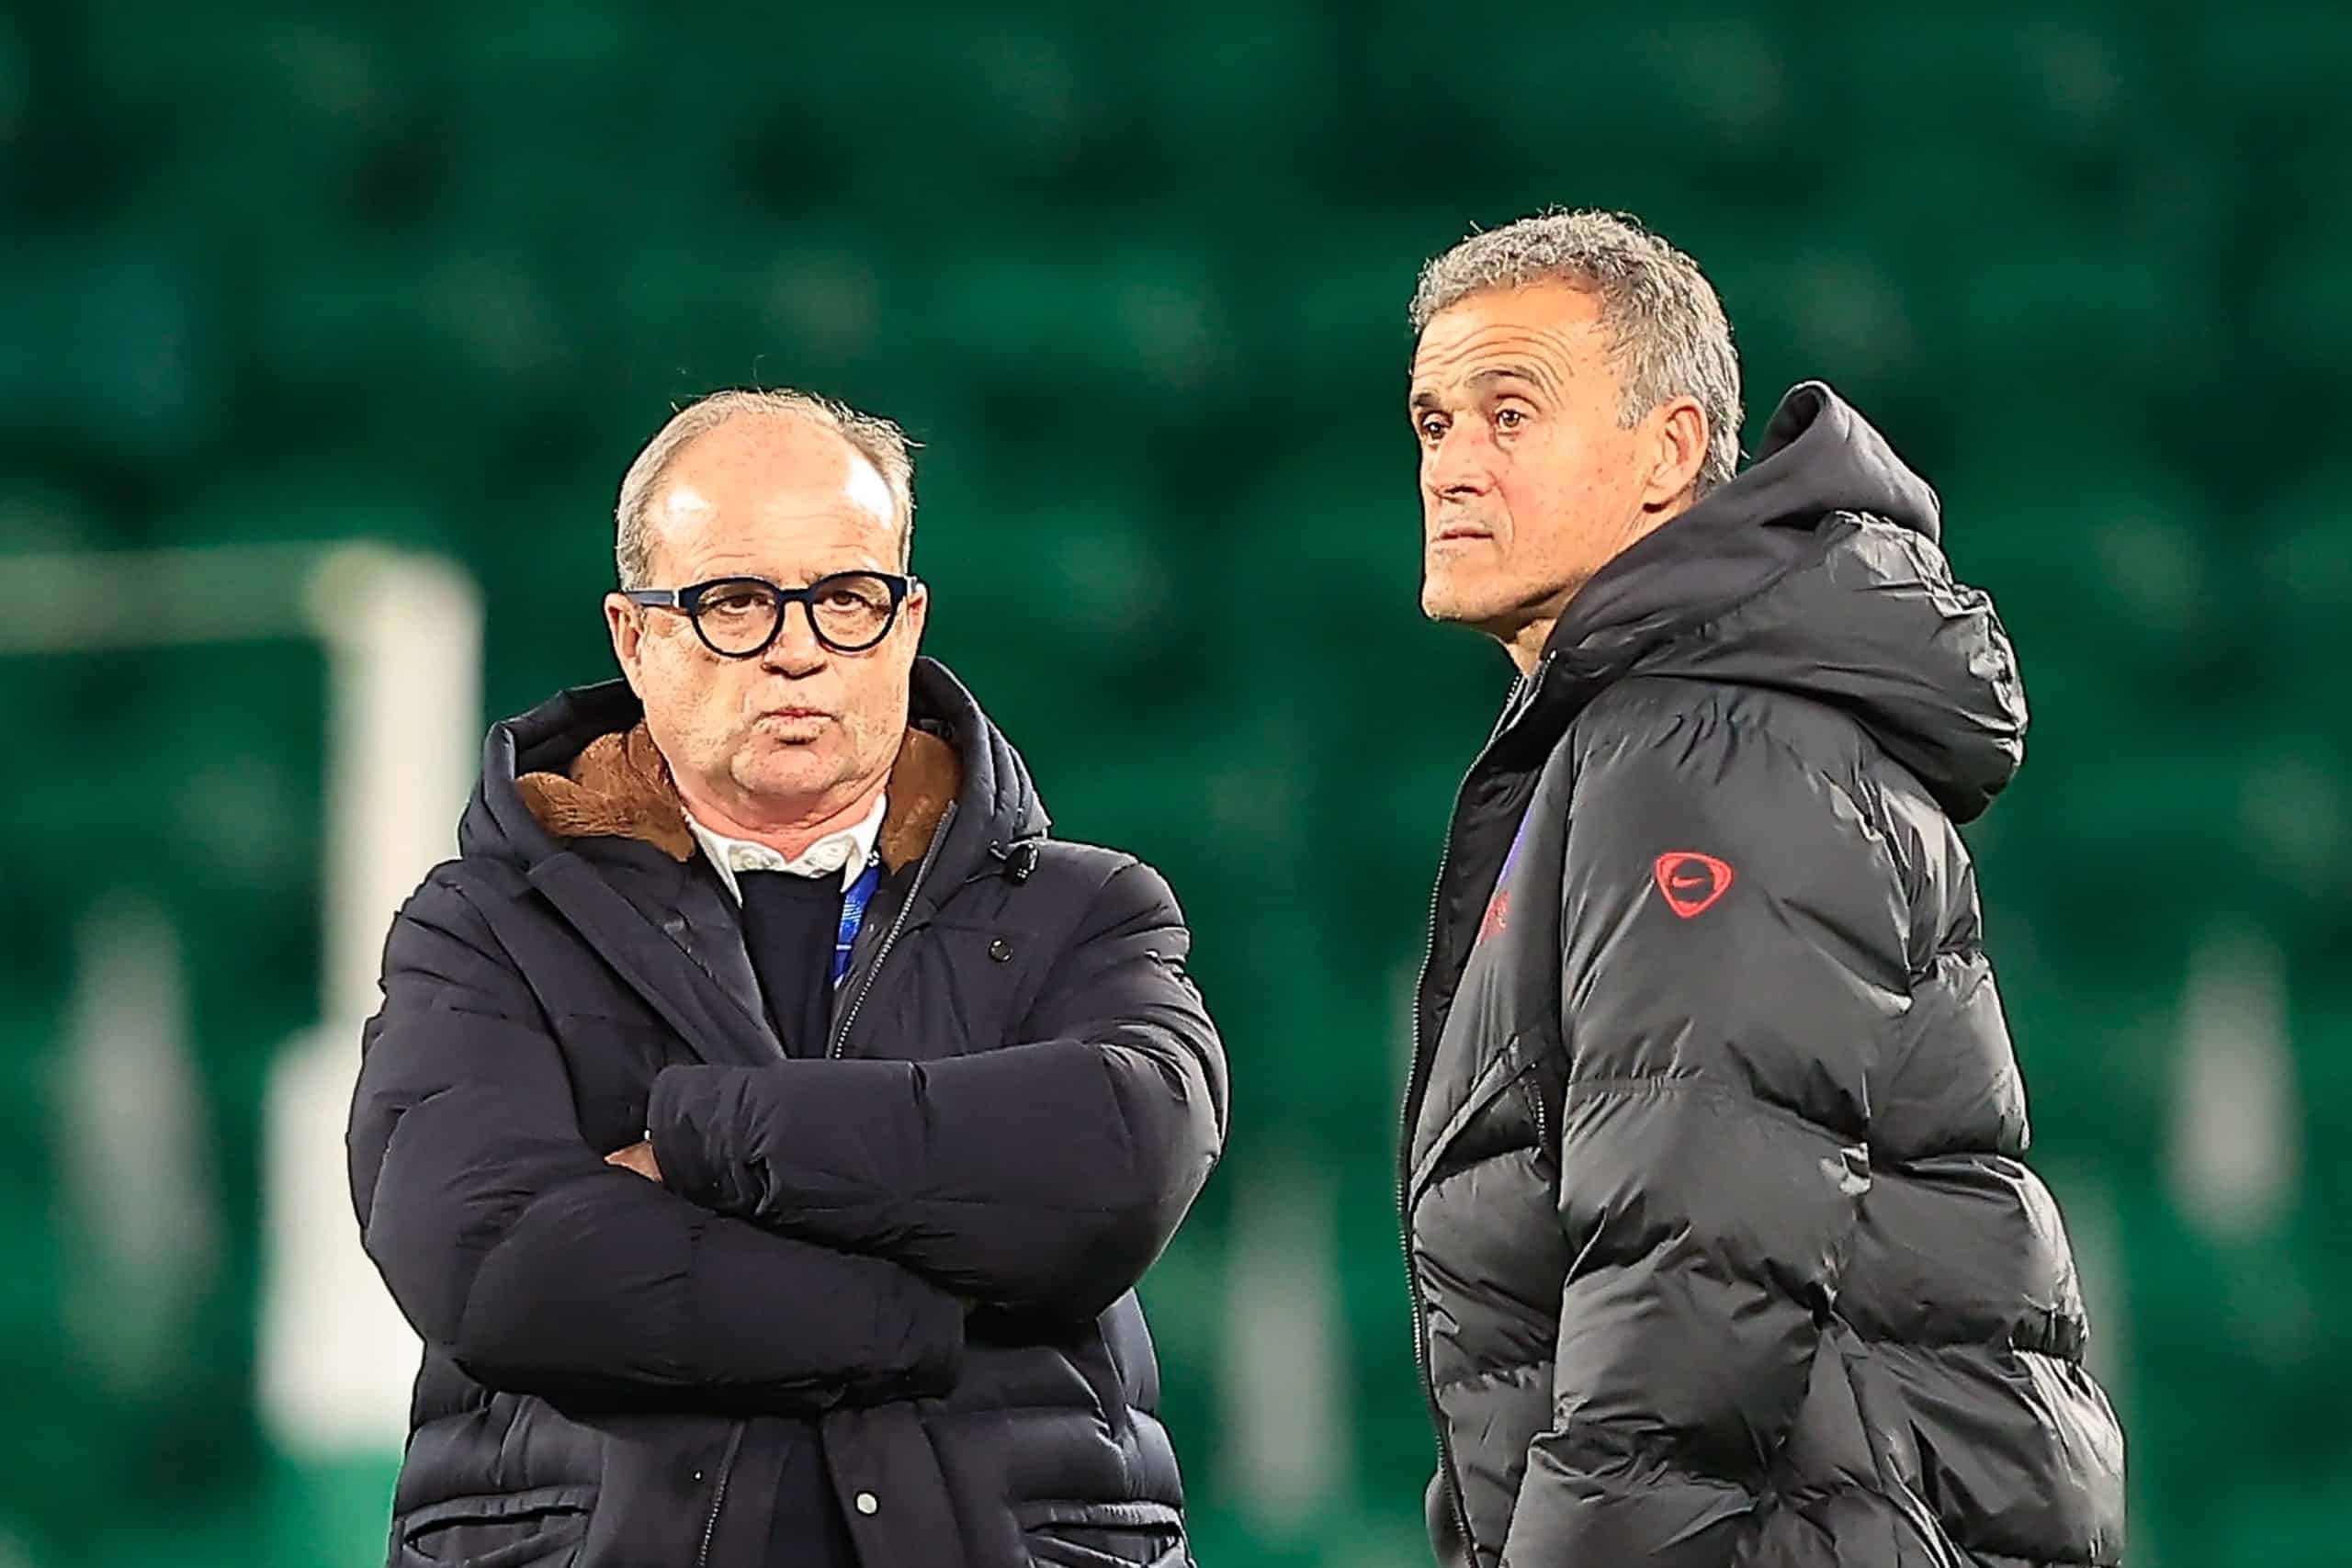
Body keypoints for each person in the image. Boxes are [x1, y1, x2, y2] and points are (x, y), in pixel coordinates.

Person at [347, 388, 1225, 1568]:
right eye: (733, 602)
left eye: (846, 597)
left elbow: (1116, 1171)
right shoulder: (479, 929)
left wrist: (701, 1135)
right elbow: (498, 1266)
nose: (798, 645)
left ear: (907, 622)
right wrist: (917, 1310)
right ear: (635, 635)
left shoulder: (1090, 910)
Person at [1396, 210, 2125, 1567]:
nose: (1453, 466)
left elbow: (1689, 1272)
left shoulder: (1703, 746)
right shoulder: (1682, 726)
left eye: (1510, 414)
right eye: (1436, 423)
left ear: (1672, 450)